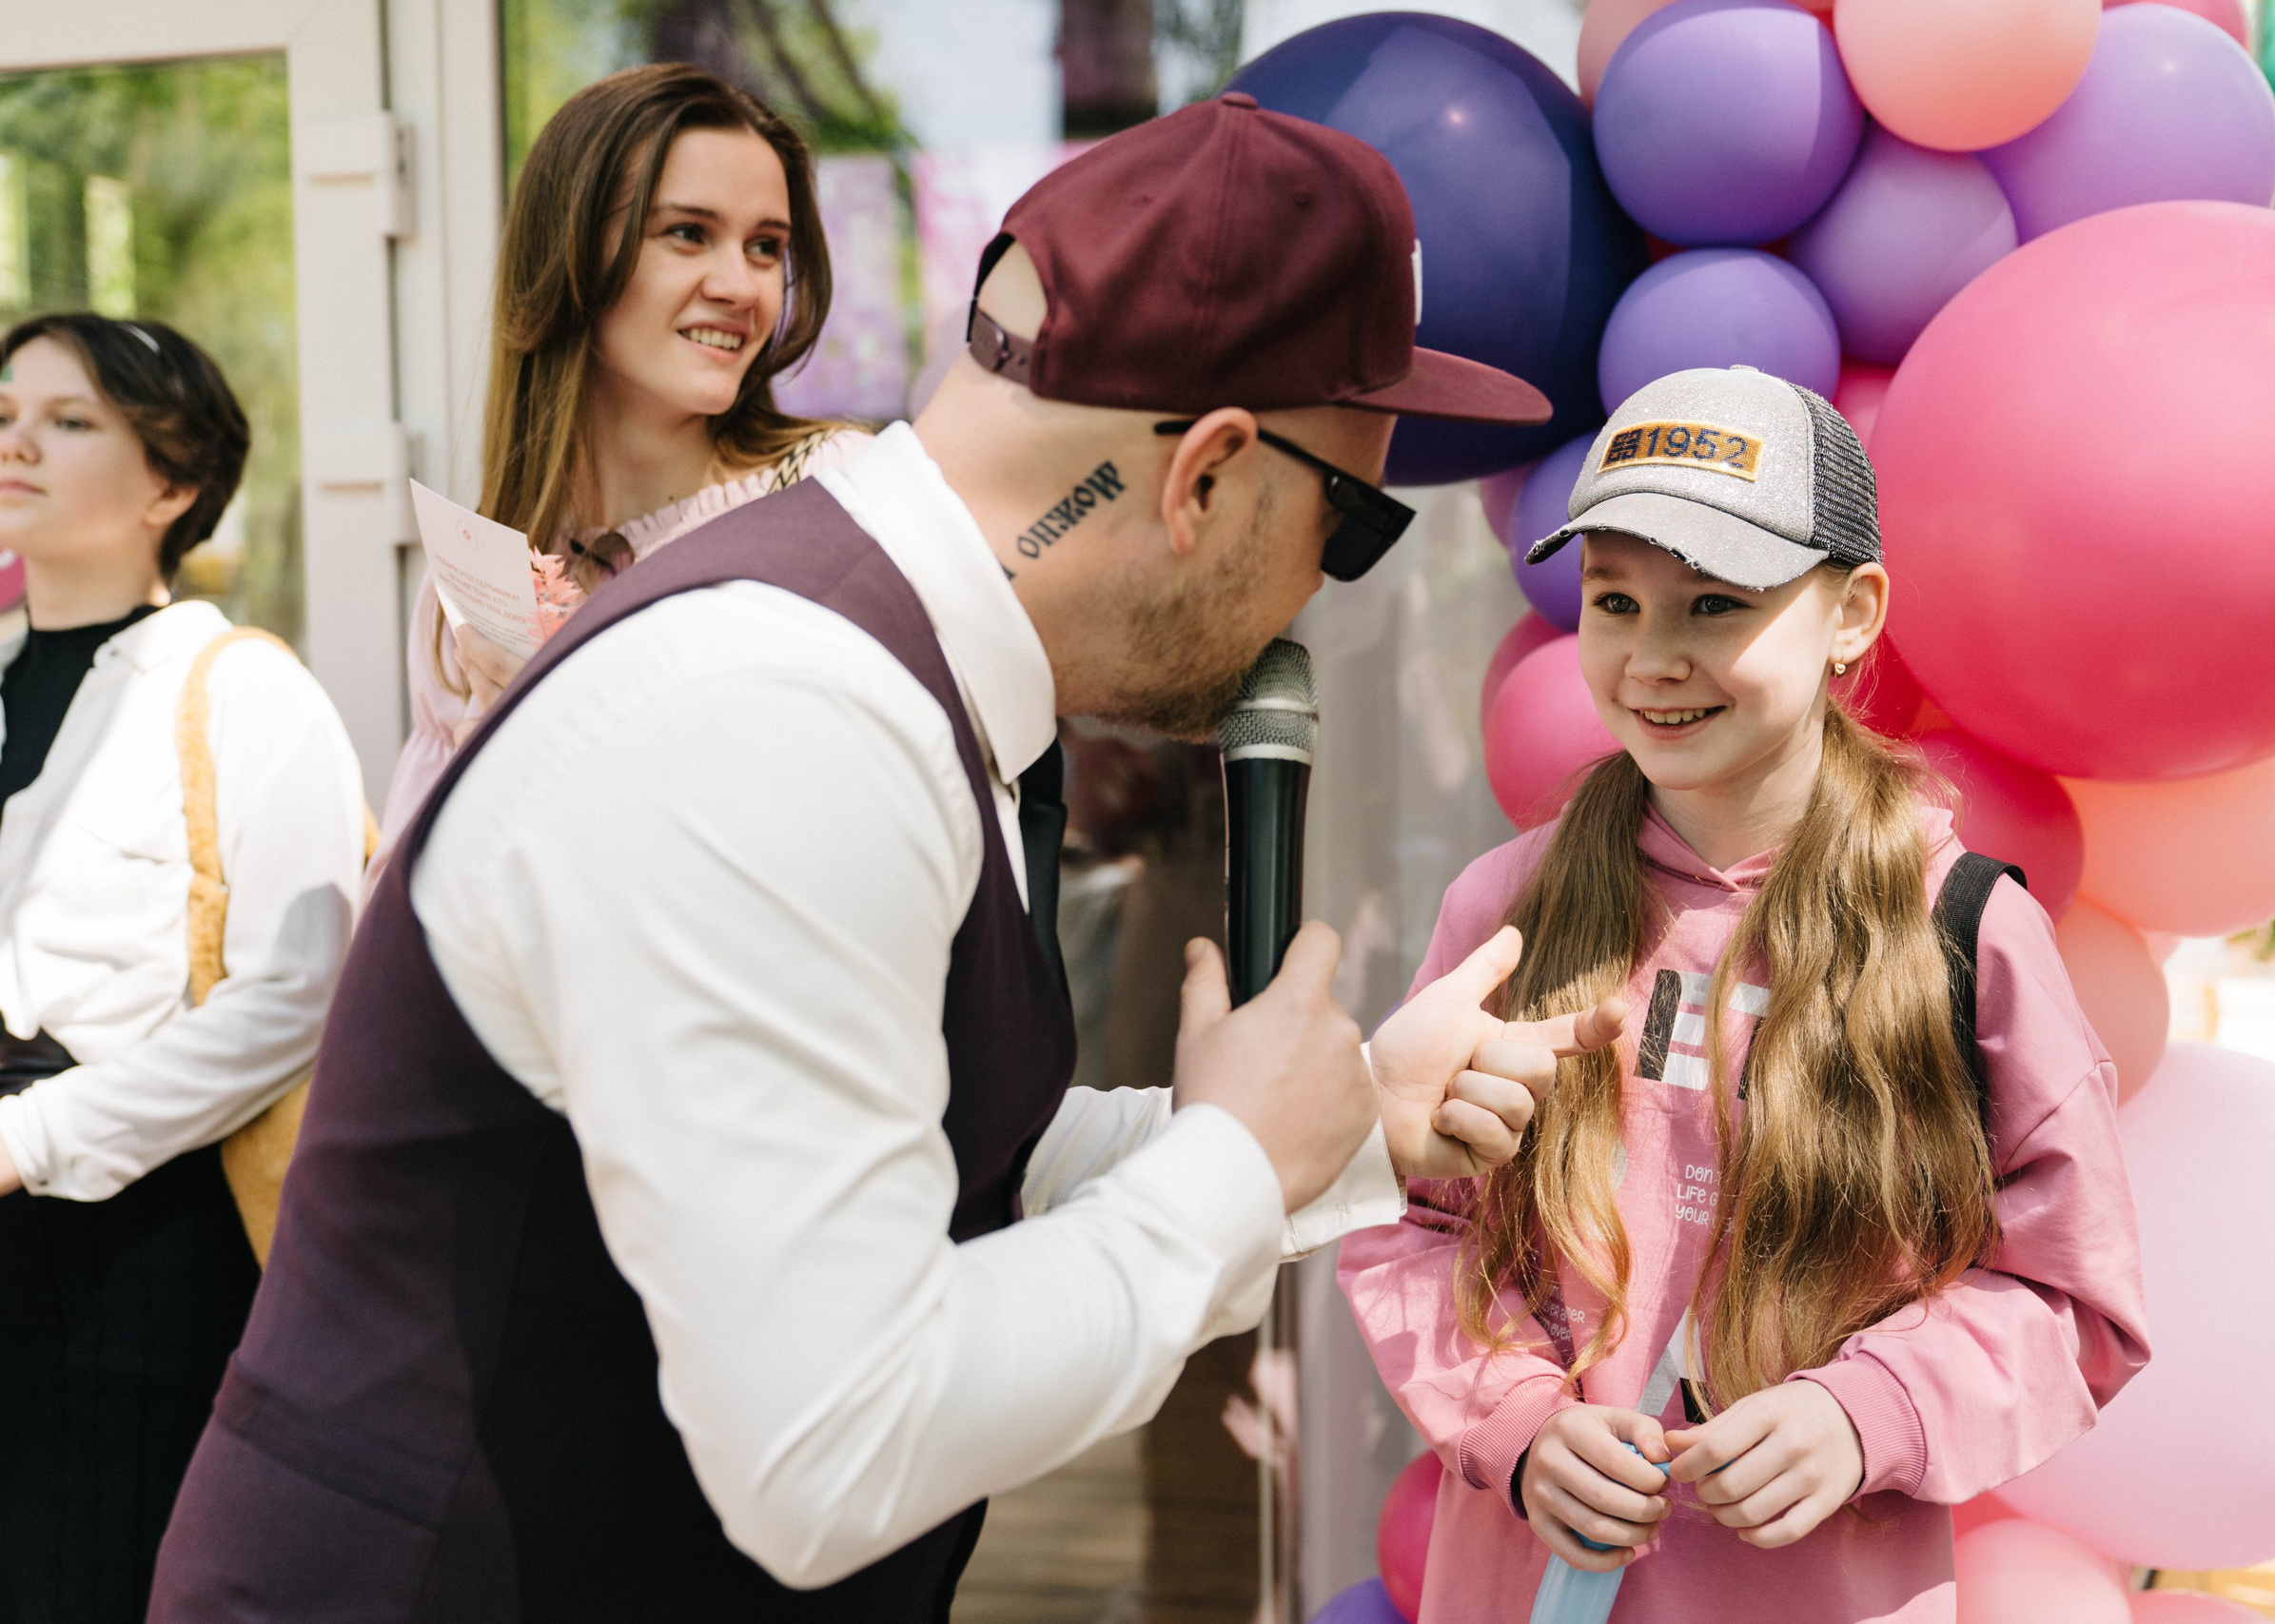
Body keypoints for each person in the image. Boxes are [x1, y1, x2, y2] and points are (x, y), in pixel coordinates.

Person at [151, 92, 1628, 1621]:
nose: (1322, 587)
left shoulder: (873, 667)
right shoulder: (781, 710)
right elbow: (829, 1444)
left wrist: (1347, 1116)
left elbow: (910, 1147)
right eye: (1352, 522)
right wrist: (1235, 1164)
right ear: (1206, 473)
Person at [1342, 367, 2150, 1623]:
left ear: (1852, 613)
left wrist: (1868, 1409)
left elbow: (2070, 1295)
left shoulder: (1963, 931)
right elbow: (1407, 1223)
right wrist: (1518, 1421)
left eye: (1716, 602)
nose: (1654, 657)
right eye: (1614, 600)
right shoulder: (1505, 912)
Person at [0, 314, 365, 1622]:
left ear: (174, 479)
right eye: (5, 414)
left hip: (130, 1247)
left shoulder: (243, 690)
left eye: (69, 420)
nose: (17, 443)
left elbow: (296, 994)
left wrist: (30, 1136)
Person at [381, 62, 871, 838]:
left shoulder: (833, 495)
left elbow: (867, 811)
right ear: (570, 253)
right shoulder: (481, 578)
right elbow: (411, 893)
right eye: (688, 233)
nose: (740, 286)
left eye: (766, 246)